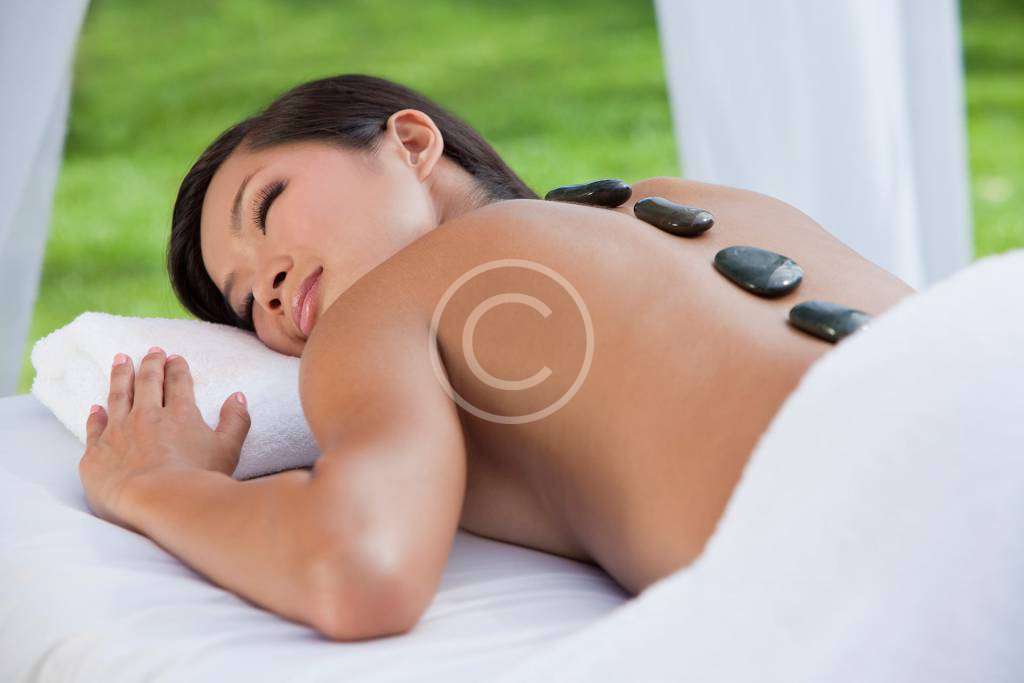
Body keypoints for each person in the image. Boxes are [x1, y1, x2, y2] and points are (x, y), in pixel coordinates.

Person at [78, 74, 915, 642]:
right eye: (241, 301)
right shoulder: (695, 203)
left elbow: (358, 566)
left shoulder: (386, 304)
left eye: (267, 206)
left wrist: (153, 482)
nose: (267, 285)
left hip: (900, 525)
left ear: (411, 142)